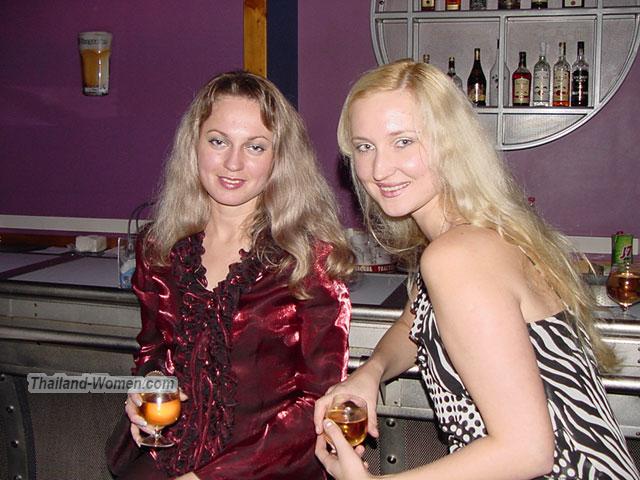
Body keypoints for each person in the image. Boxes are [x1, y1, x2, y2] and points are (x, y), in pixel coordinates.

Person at [313, 59, 640, 480]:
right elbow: (415, 322)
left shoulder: (457, 257)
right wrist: (369, 374)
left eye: (404, 141)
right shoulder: (474, 234)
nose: (379, 169)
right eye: (364, 147)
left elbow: (527, 452)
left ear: (450, 144)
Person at [105, 70, 354, 479]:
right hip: (168, 456)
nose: (233, 163)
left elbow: (319, 400)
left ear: (279, 158)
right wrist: (149, 385)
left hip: (267, 466)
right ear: (194, 146)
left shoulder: (308, 260)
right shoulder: (160, 248)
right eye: (218, 141)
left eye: (255, 146)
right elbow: (153, 352)